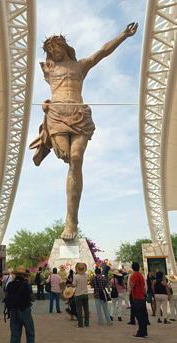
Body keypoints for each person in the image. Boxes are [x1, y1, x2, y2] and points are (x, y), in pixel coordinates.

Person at [30, 23, 138, 240]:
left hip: (79, 115)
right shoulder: (49, 69)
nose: (54, 52)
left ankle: (71, 222)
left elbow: (103, 52)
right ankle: (47, 143)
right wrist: (45, 103)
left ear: (64, 46)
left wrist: (124, 35)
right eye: (50, 50)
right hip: (57, 115)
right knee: (65, 154)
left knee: (76, 158)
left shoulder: (80, 66)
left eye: (56, 47)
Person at [5, 266, 37, 343]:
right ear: (24, 276)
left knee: (15, 335)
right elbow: (32, 298)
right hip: (25, 311)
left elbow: (7, 296)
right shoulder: (26, 285)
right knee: (30, 333)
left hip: (13, 311)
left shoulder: (10, 285)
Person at [129, 262, 148, 338]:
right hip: (142, 297)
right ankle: (144, 331)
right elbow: (143, 286)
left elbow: (132, 285)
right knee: (143, 315)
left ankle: (140, 332)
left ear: (132, 268)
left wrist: (130, 282)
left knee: (139, 316)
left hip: (137, 297)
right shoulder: (141, 275)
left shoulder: (134, 276)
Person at [72, 263, 89, 328]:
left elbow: (74, 285)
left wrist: (70, 285)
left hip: (78, 294)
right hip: (85, 294)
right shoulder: (86, 275)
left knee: (79, 310)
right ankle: (87, 323)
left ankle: (80, 324)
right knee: (86, 310)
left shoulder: (75, 276)